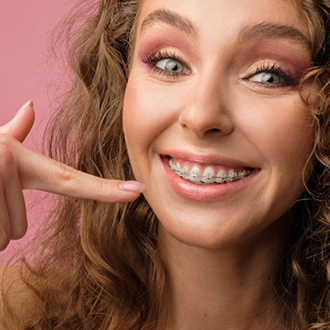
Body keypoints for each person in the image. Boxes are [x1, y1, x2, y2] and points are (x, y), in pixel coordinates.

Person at [1, 0, 330, 328]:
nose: (201, 116)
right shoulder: (13, 312)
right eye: (170, 64)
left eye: (269, 76)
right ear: (122, 82)